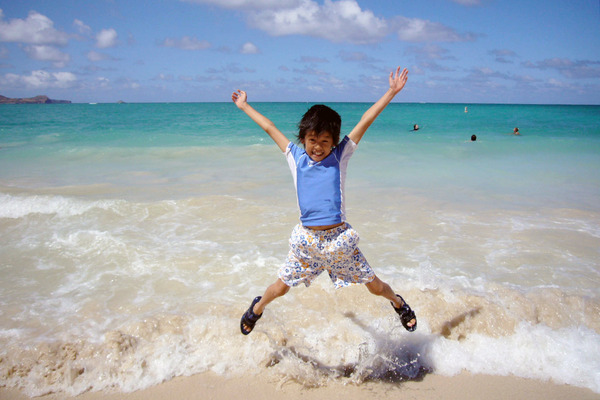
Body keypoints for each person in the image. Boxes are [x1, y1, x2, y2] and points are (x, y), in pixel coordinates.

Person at [232, 66, 417, 336]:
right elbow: (270, 127)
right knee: (280, 287)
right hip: (307, 241)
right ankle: (256, 309)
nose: (317, 146)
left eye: (324, 141)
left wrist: (391, 92)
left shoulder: (340, 156)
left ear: (334, 142)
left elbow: (366, 120)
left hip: (339, 240)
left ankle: (398, 303)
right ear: (303, 138)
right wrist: (244, 106)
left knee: (374, 286)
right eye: (312, 140)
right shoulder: (295, 157)